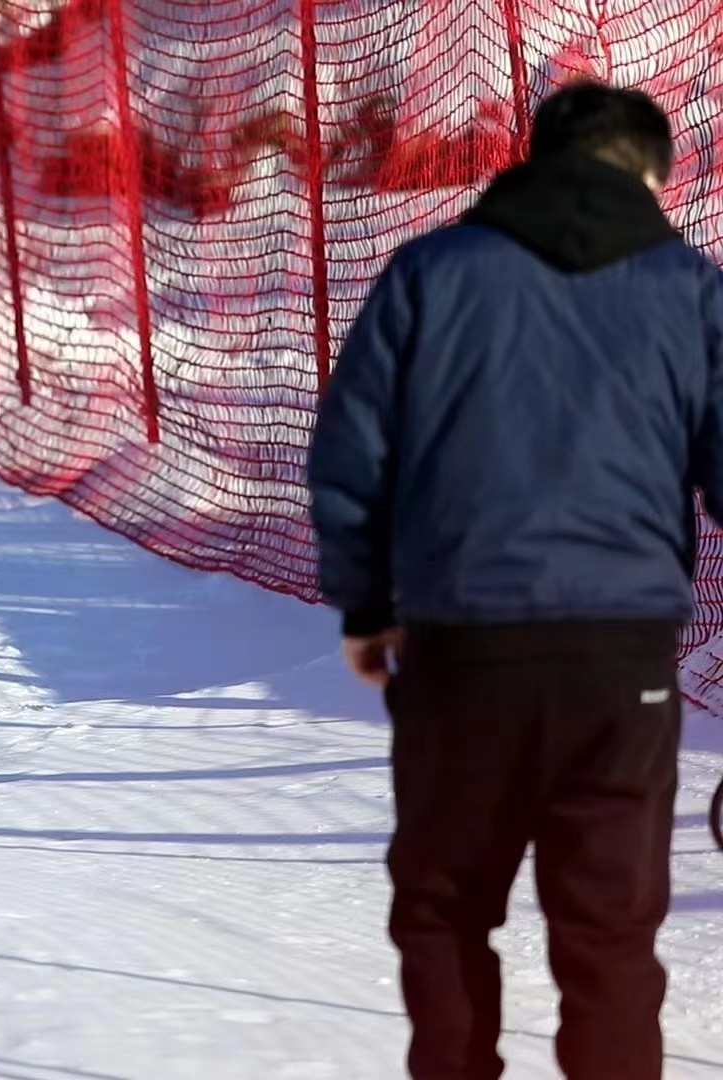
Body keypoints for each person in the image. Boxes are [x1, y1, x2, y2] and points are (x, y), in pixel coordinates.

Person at [308, 82, 717, 1079]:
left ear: (536, 157)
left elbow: (353, 453)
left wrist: (367, 604)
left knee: (446, 910)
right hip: (624, 659)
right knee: (610, 935)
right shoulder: (693, 289)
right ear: (652, 174)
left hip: (463, 649)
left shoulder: (429, 272)